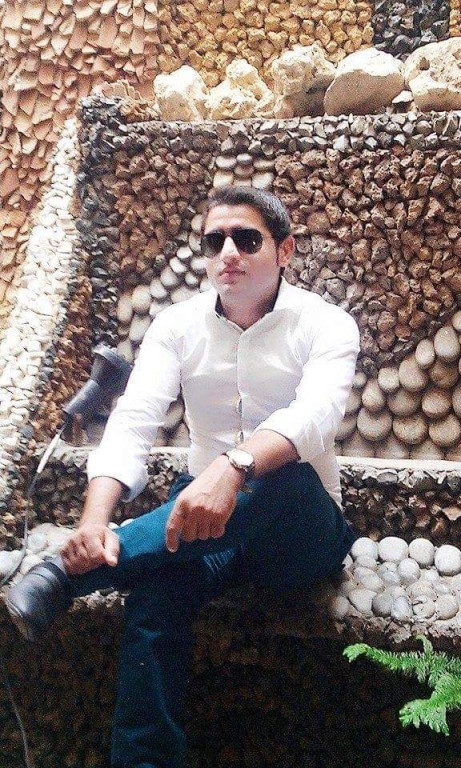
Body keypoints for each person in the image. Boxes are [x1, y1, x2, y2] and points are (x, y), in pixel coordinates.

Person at [7, 186, 360, 768]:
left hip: (296, 531)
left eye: (246, 239)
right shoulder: (177, 326)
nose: (228, 252)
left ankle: (65, 577)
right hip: (203, 523)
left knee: (283, 479)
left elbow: (315, 415)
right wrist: (93, 520)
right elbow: (134, 419)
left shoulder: (326, 324)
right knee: (155, 594)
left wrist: (234, 465)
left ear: (285, 250)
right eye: (214, 241)